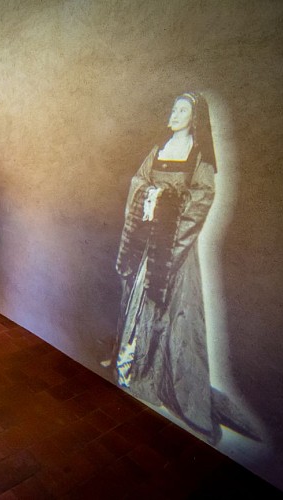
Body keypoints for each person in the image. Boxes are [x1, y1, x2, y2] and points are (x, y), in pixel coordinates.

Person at [113, 92, 223, 442]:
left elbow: (202, 197)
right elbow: (138, 182)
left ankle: (160, 375)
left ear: (194, 119)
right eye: (173, 108)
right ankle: (132, 364)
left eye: (182, 110)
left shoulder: (199, 158)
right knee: (138, 301)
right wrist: (152, 195)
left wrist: (166, 201)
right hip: (147, 242)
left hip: (172, 248)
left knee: (173, 312)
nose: (174, 114)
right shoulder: (159, 150)